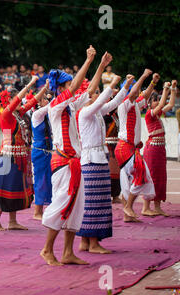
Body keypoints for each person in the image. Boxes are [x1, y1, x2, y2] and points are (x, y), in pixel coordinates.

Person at [40, 45, 97, 266]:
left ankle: (67, 253)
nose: (71, 88)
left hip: (74, 162)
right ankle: (46, 250)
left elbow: (89, 91)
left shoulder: (70, 107)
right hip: (64, 162)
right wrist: (89, 60)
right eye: (68, 85)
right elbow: (75, 88)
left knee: (75, 206)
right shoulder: (55, 105)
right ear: (62, 87)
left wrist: (99, 65)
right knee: (63, 204)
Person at [76, 52, 130, 254]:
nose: (97, 94)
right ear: (88, 97)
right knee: (94, 203)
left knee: (94, 202)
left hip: (96, 160)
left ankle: (85, 242)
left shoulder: (96, 112)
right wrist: (111, 84)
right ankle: (92, 243)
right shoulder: (85, 112)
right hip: (92, 161)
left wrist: (124, 86)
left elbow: (113, 103)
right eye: (95, 92)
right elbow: (102, 102)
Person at [0, 76, 48, 231]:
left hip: (19, 157)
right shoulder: (6, 115)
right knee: (6, 187)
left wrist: (44, 87)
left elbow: (32, 102)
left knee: (16, 187)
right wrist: (29, 84)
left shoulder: (18, 113)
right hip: (8, 158)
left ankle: (12, 221)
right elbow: (18, 100)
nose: (19, 102)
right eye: (14, 99)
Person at [114, 69, 158, 222]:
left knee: (127, 181)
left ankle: (127, 215)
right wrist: (144, 76)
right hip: (125, 147)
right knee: (141, 174)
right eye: (135, 88)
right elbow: (133, 94)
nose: (138, 92)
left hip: (127, 148)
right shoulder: (124, 104)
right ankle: (128, 207)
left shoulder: (135, 105)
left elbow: (144, 95)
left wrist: (153, 82)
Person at [142, 80, 178, 216]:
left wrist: (173, 89)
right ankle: (146, 207)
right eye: (154, 100)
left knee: (161, 177)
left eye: (157, 99)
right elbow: (163, 104)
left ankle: (157, 207)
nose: (157, 102)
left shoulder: (157, 114)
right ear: (149, 104)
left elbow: (170, 104)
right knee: (152, 177)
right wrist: (165, 88)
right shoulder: (149, 115)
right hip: (152, 150)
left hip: (160, 150)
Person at [31, 92, 53, 221]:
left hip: (49, 151)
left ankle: (48, 209)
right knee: (41, 181)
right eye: (45, 99)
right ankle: (37, 211)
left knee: (50, 181)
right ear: (39, 102)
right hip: (40, 152)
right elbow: (51, 106)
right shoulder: (37, 114)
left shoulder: (47, 116)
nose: (48, 101)